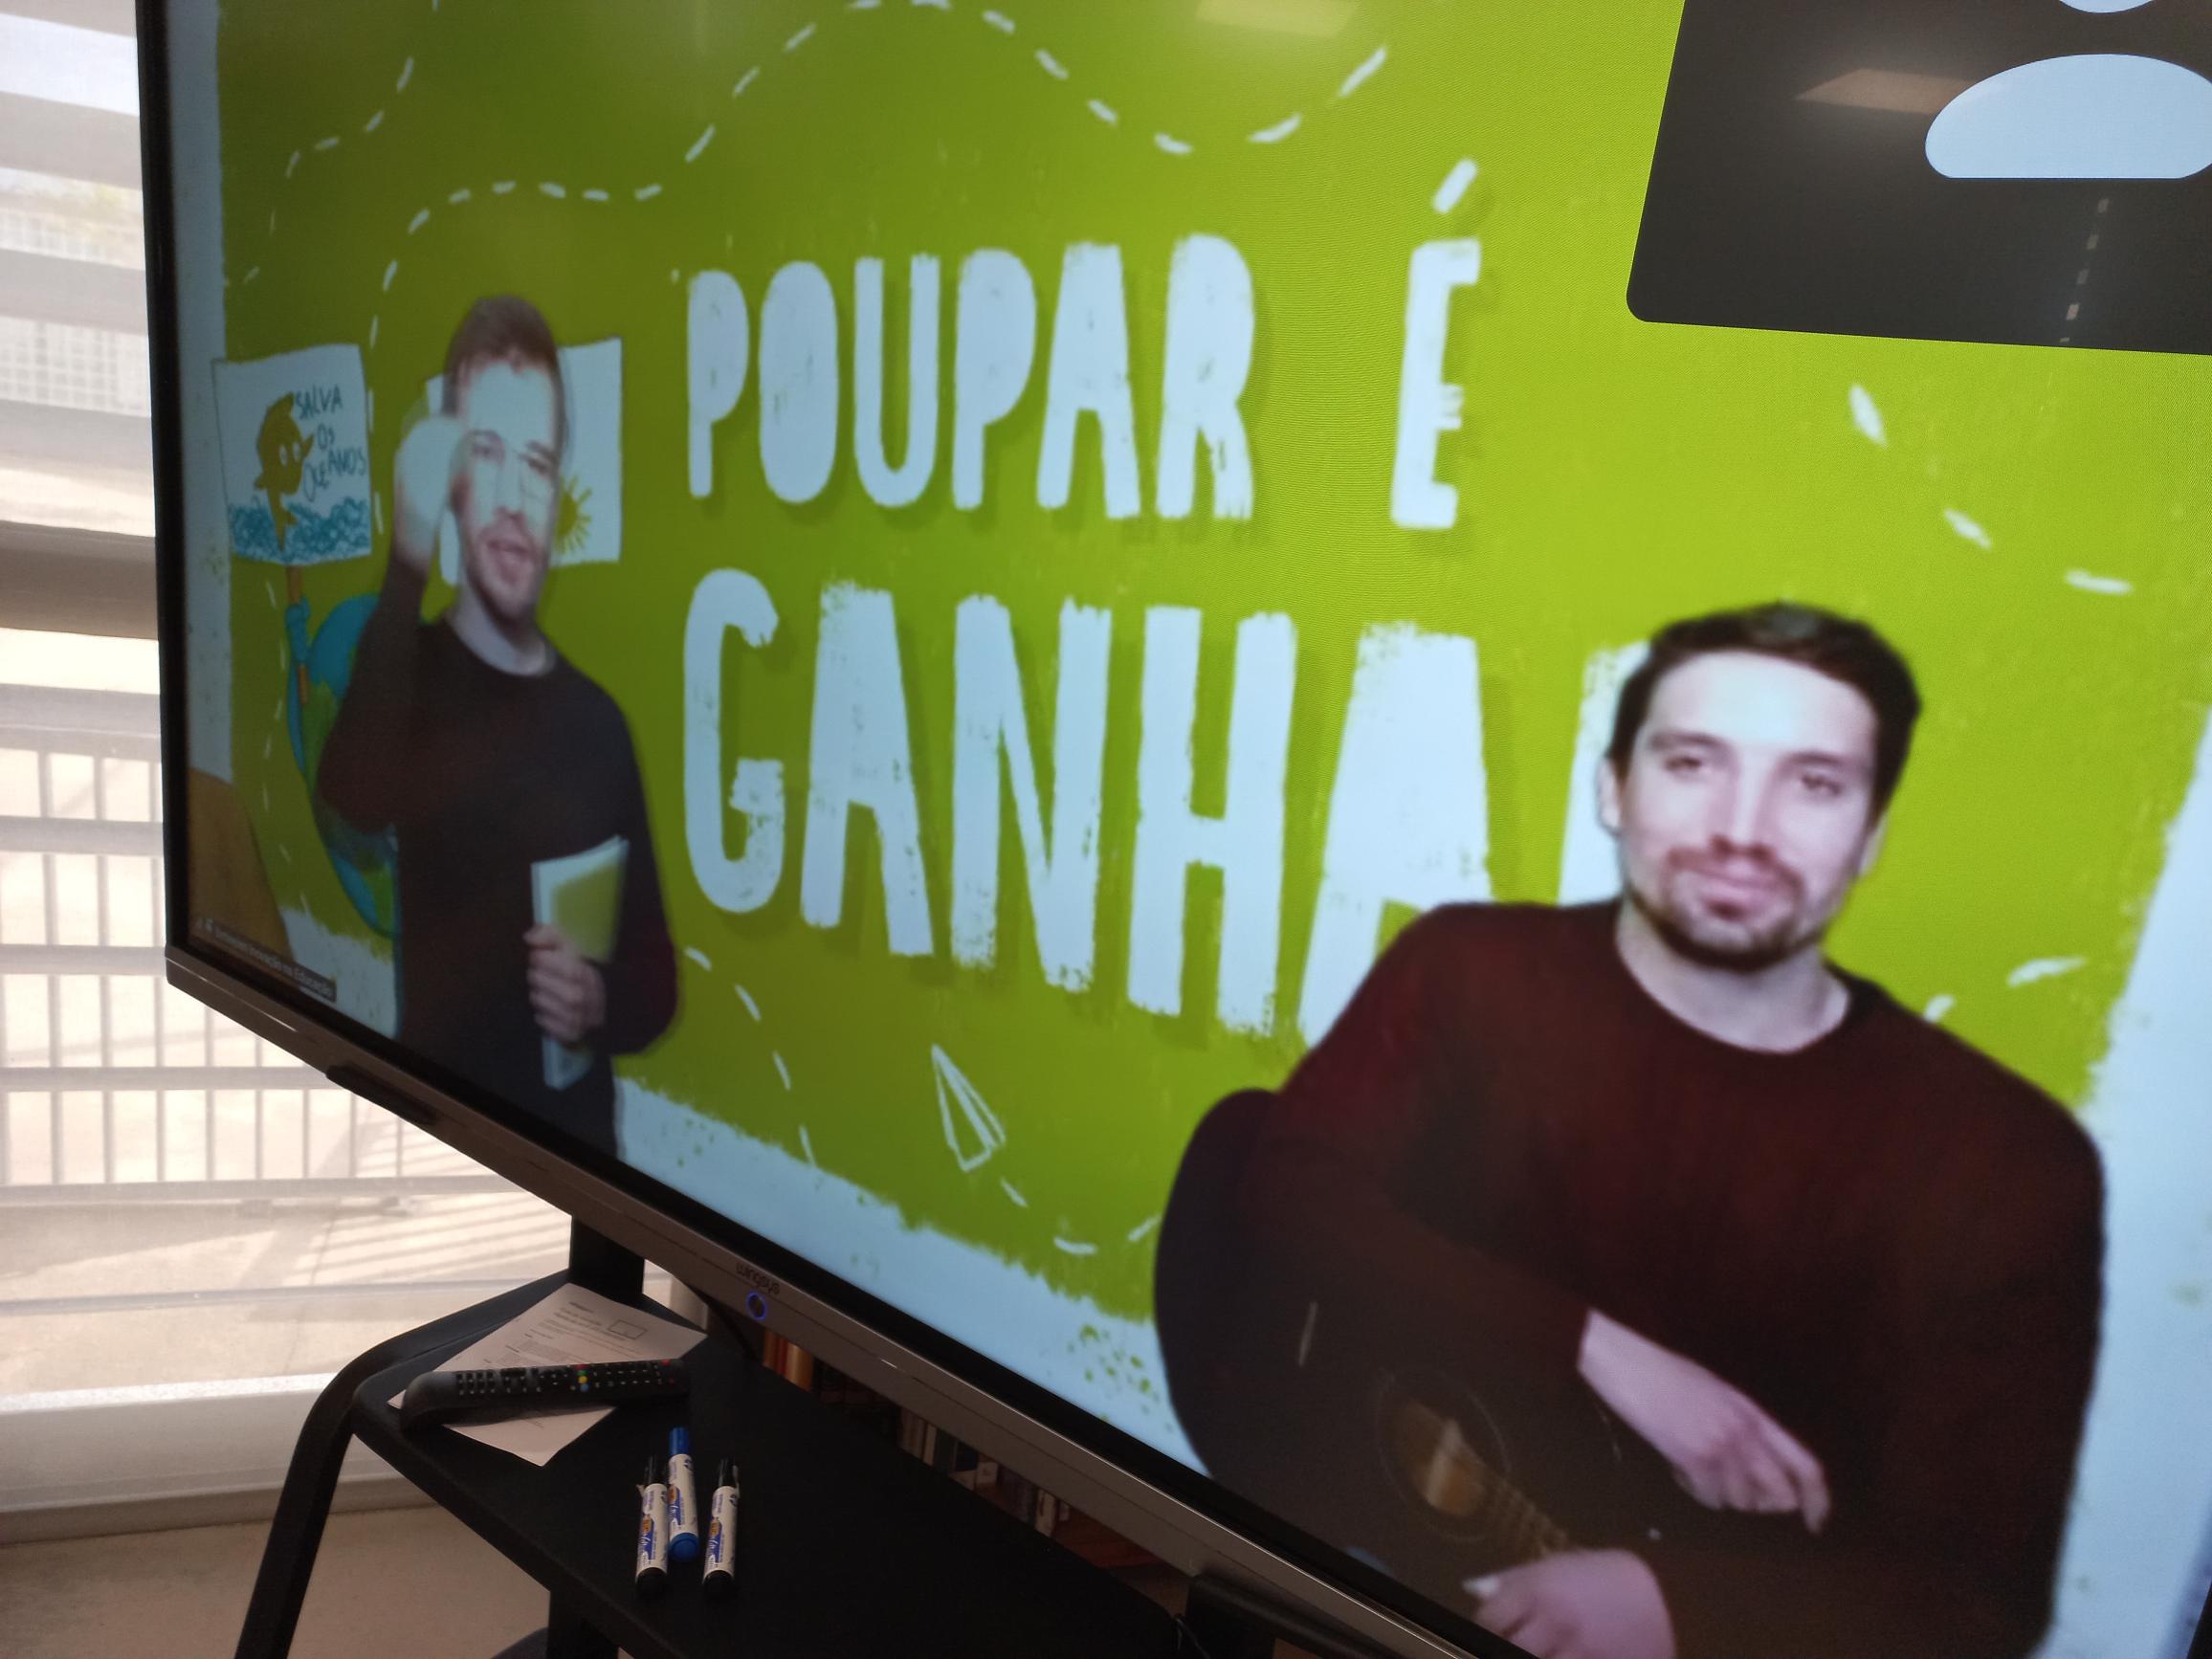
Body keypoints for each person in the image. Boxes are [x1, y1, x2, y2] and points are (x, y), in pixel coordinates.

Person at [1201, 603, 2104, 1659]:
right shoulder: (1470, 968)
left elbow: (1976, 1605)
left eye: (1813, 783)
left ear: (1871, 834)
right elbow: (1282, 1186)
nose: (1742, 829)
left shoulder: (2006, 1163)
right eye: (1692, 764)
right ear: (1612, 789)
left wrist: (1676, 1605)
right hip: (1369, 1563)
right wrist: (1590, 1346)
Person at [319, 295, 676, 1156]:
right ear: (451, 480)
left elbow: (657, 980)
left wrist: (598, 1000)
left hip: (583, 1171)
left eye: (538, 464)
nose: (515, 499)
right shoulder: (411, 671)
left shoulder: (601, 725)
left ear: (559, 491)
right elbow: (354, 794)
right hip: (439, 1150)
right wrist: (408, 558)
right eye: (485, 453)